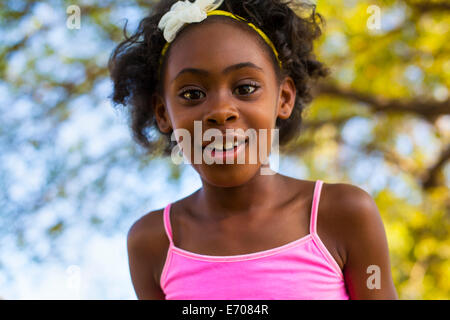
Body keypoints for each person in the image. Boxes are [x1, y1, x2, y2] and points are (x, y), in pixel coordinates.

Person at [109, 0, 398, 300]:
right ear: (163, 112)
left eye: (245, 88)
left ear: (284, 97)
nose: (220, 111)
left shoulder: (343, 214)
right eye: (192, 94)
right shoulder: (153, 243)